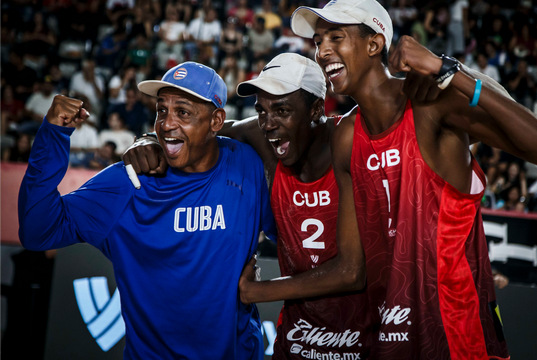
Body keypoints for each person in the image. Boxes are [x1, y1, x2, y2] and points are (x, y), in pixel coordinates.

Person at [239, 0, 537, 359]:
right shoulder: (347, 138)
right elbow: (352, 266)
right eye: (318, 42)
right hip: (391, 330)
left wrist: (449, 70)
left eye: (335, 38)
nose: (323, 52)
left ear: (374, 43)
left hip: (456, 327)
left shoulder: (429, 103)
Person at [123, 53, 374, 358]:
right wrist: (147, 140)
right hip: (301, 334)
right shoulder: (259, 137)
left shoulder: (348, 141)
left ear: (316, 109)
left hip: (366, 329)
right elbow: (198, 131)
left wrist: (256, 291)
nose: (268, 123)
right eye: (261, 111)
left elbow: (351, 272)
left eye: (281, 110)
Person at [18, 61, 274, 359]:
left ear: (216, 121)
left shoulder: (245, 162)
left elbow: (283, 236)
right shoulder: (128, 181)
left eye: (183, 112)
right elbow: (37, 232)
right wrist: (52, 137)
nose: (166, 124)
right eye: (161, 110)